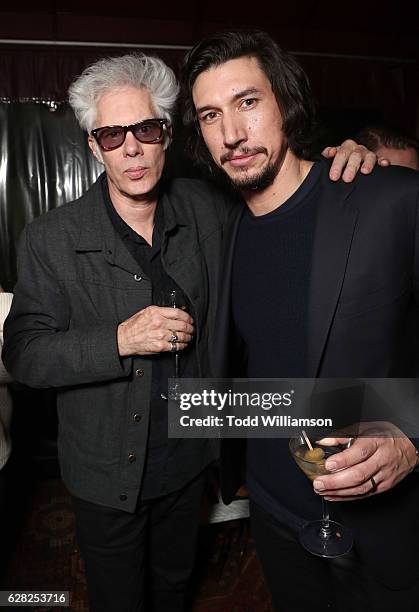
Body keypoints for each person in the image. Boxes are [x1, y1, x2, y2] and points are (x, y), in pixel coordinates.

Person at [2, 51, 378, 612]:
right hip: (106, 474)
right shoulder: (49, 239)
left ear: (167, 135)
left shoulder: (209, 207)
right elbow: (24, 355)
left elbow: (282, 188)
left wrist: (342, 166)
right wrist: (119, 340)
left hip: (189, 461)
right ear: (92, 146)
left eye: (145, 129)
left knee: (175, 586)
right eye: (110, 135)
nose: (130, 147)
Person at [181, 30, 419, 612]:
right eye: (211, 115)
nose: (232, 134)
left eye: (247, 102)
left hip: (384, 528)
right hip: (274, 516)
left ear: (286, 103)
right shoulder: (221, 229)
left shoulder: (388, 198)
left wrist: (413, 437)